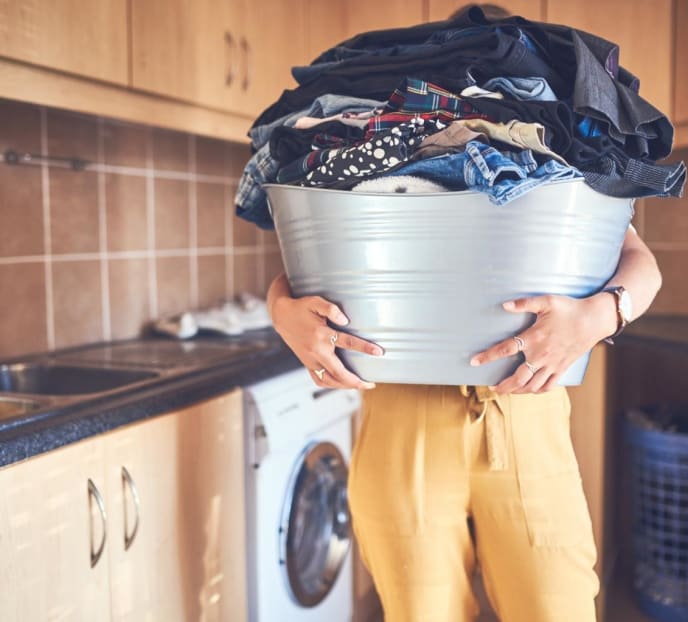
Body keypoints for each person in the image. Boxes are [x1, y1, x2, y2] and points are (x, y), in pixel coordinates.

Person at [266, 5, 663, 620]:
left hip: (526, 418)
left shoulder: (563, 170)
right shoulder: (367, 147)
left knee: (557, 608)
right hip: (403, 419)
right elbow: (310, 256)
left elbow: (642, 264)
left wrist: (599, 317)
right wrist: (279, 310)